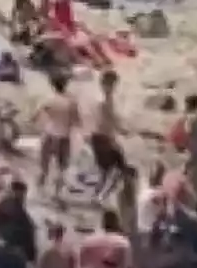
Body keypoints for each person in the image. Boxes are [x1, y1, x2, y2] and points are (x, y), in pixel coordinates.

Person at [35, 73, 81, 201]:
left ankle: (39, 192)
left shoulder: (49, 98)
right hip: (64, 136)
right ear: (65, 84)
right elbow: (76, 121)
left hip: (49, 134)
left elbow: (36, 115)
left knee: (44, 166)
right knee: (61, 168)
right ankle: (56, 194)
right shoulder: (72, 101)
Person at [88, 70, 129, 201]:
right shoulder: (103, 100)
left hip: (101, 137)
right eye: (112, 84)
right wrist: (118, 132)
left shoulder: (102, 98)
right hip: (103, 138)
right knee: (115, 170)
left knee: (108, 171)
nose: (113, 87)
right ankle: (100, 196)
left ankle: (98, 196)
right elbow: (107, 120)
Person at [0, 180, 38, 264]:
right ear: (16, 192)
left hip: (11, 235)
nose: (24, 196)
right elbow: (19, 219)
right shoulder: (9, 203)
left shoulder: (12, 202)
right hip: (12, 237)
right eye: (23, 193)